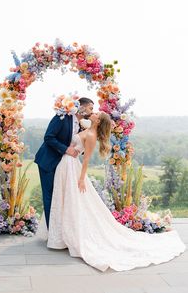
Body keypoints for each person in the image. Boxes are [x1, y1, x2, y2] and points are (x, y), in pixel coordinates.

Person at [37, 111, 186, 272]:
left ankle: (70, 235)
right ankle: (59, 235)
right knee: (62, 198)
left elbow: (86, 159)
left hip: (72, 167)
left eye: (96, 113)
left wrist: (81, 179)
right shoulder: (86, 127)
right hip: (64, 165)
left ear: (98, 121)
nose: (93, 113)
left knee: (73, 200)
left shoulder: (92, 135)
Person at [34, 97, 94, 229]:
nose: (92, 111)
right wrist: (66, 149)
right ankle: (52, 232)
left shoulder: (80, 124)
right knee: (50, 196)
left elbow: (77, 141)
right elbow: (48, 137)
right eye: (90, 108)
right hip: (48, 161)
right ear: (82, 108)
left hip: (64, 165)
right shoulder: (62, 117)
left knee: (60, 196)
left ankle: (61, 230)